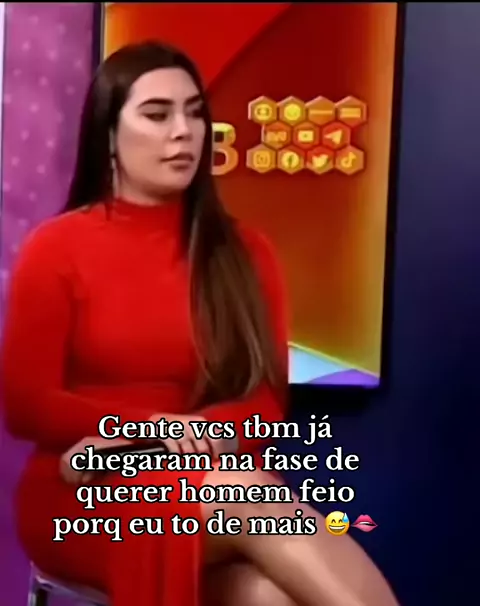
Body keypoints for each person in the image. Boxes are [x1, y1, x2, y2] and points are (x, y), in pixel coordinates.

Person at [0, 42, 399, 606]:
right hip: (83, 488)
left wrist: (192, 438)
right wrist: (147, 432)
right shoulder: (56, 248)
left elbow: (265, 403)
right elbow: (27, 403)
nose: (183, 132)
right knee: (249, 495)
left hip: (207, 469)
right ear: (108, 135)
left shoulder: (246, 253)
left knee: (265, 596)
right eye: (157, 114)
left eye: (194, 113)